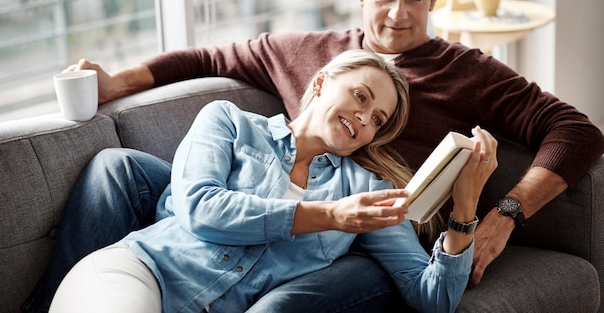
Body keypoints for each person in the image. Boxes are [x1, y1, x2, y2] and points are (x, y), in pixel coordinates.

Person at [21, 0, 604, 312]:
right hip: (290, 187)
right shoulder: (310, 53)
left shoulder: (468, 70)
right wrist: (119, 81)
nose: (399, 14)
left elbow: (578, 132)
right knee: (115, 168)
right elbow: (210, 57)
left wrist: (501, 214)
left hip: (374, 229)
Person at [49, 50, 497, 313]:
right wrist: (329, 217)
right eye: (360, 96)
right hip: (140, 271)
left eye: (377, 119)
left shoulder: (364, 191)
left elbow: (432, 296)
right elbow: (200, 209)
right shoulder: (229, 121)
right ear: (321, 83)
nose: (363, 118)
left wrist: (464, 209)